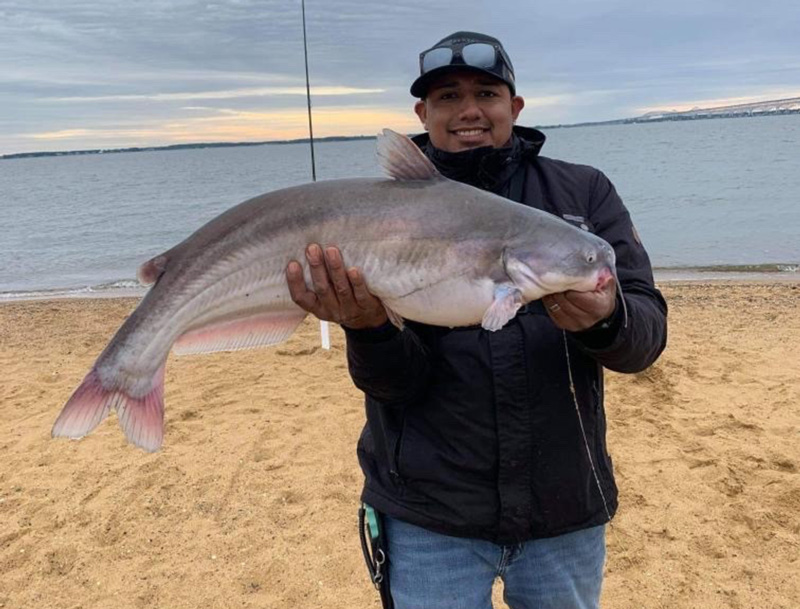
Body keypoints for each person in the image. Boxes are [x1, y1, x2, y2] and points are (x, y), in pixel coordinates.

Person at [286, 31, 668, 609]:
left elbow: (645, 338)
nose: (468, 110)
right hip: (428, 517)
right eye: (447, 97)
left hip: (564, 509)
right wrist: (367, 326)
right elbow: (395, 384)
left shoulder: (583, 193)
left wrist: (606, 319)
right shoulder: (379, 216)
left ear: (515, 106)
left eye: (486, 93)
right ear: (422, 114)